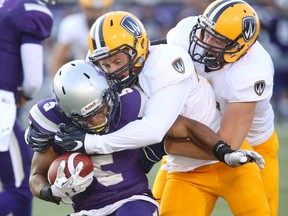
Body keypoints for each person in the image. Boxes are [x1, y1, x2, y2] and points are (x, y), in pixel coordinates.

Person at [52, 11, 269, 215]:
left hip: (225, 158)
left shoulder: (165, 63)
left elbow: (155, 130)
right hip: (183, 167)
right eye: (105, 64)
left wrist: (90, 143)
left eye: (118, 61)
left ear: (138, 50)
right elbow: (79, 99)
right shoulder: (108, 75)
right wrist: (47, 126)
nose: (112, 71)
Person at [154, 0, 278, 215]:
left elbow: (227, 146)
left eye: (218, 40)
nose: (206, 42)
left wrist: (160, 147)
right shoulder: (186, 31)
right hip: (192, 137)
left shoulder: (252, 70)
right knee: (154, 206)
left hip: (250, 147)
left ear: (240, 47)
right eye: (206, 32)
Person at [27, 60, 160, 216]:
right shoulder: (56, 122)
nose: (98, 121)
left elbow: (172, 130)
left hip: (132, 200)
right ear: (68, 113)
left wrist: (157, 149)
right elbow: (35, 177)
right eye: (88, 118)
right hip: (85, 211)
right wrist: (52, 191)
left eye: (101, 109)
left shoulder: (132, 103)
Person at [0, 0, 54, 215]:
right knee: (21, 189)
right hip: (2, 101)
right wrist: (24, 94)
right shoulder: (29, 11)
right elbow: (33, 81)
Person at [49, 0, 114, 76]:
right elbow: (58, 58)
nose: (96, 14)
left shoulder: (113, 27)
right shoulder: (72, 24)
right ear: (84, 9)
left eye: (100, 10)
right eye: (92, 10)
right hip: (79, 73)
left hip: (108, 73)